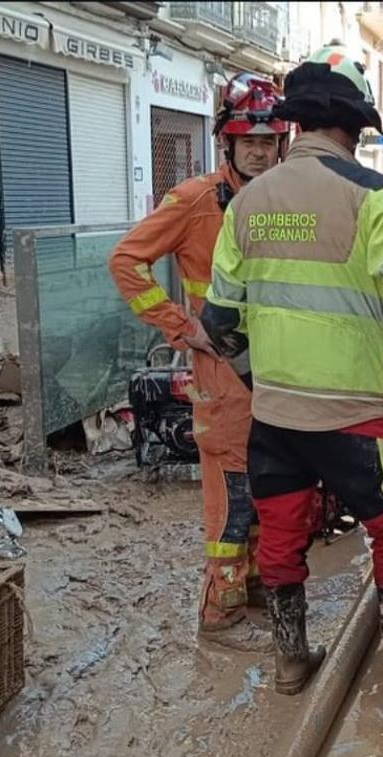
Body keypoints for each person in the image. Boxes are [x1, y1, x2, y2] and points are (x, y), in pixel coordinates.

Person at [201, 44, 383, 707]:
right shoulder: (372, 195)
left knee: (283, 538)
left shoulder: (246, 204)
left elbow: (220, 321)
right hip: (353, 416)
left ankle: (292, 661)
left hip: (275, 419)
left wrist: (259, 380)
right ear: (351, 125)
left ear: (295, 124)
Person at [108, 73, 287, 651]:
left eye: (269, 141)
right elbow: (126, 262)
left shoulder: (284, 204)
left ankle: (252, 588)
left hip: (277, 375)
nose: (260, 151)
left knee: (266, 486)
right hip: (224, 377)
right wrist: (184, 328)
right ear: (227, 145)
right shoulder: (194, 202)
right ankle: (220, 611)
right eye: (248, 141)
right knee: (233, 495)